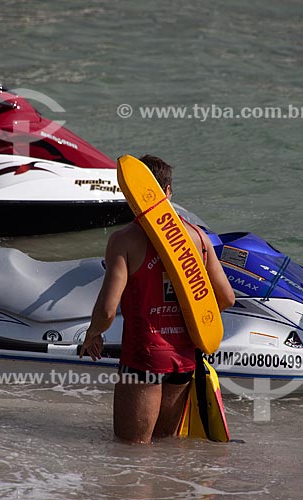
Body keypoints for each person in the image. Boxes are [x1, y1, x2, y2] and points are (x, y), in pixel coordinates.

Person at [79, 155, 235, 444]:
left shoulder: (124, 240)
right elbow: (226, 297)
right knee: (164, 450)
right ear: (169, 191)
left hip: (145, 358)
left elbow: (107, 308)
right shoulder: (198, 238)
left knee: (132, 454)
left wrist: (92, 333)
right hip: (184, 359)